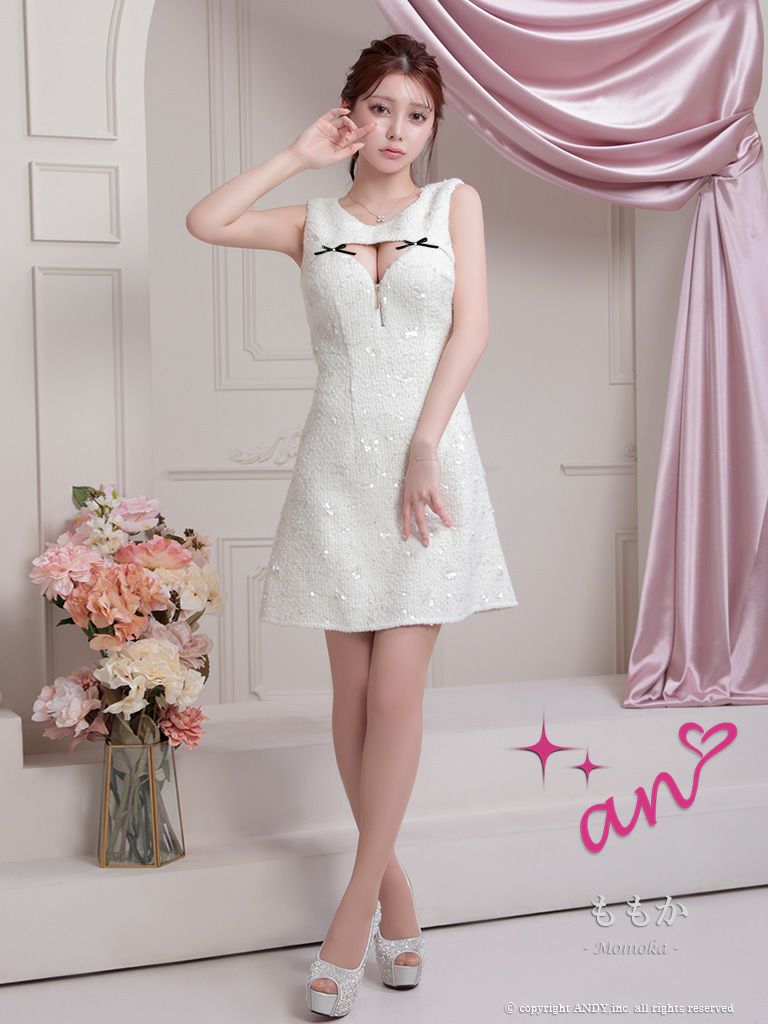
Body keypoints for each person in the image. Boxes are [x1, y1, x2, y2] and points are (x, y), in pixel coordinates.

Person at [186, 31, 518, 1019]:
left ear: (433, 126)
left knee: (398, 694)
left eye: (417, 114)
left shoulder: (455, 205)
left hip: (427, 469)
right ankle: (397, 898)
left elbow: (473, 329)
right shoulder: (312, 221)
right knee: (354, 694)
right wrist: (298, 155)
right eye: (381, 108)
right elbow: (206, 220)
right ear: (352, 112)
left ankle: (351, 915)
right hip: (335, 466)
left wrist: (426, 443)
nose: (398, 129)